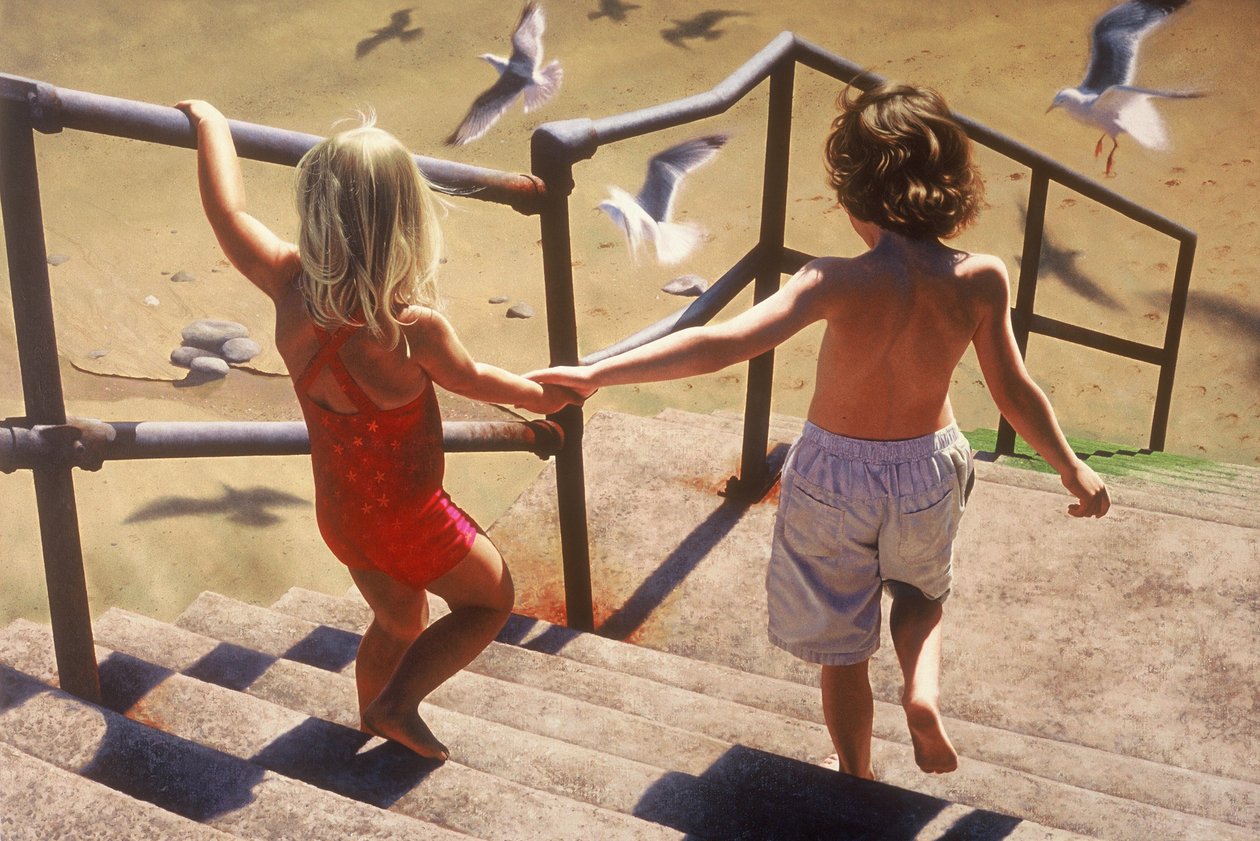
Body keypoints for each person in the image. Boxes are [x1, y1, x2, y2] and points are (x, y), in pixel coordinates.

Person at [528, 81, 1111, 779]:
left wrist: (599, 371)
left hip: (834, 478)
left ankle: (856, 769)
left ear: (852, 192)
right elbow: (1014, 390)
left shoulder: (830, 280)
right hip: (927, 469)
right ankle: (922, 694)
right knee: (922, 595)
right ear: (953, 185)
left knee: (842, 645)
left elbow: (723, 343)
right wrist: (1071, 465)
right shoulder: (980, 278)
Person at [177, 100, 573, 760]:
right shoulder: (410, 329)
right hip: (413, 517)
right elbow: (478, 381)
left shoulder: (286, 284)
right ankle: (397, 703)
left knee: (399, 618)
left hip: (343, 516)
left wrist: (211, 124)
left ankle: (372, 719)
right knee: (491, 599)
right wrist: (545, 395)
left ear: (315, 209)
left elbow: (229, 213)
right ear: (406, 223)